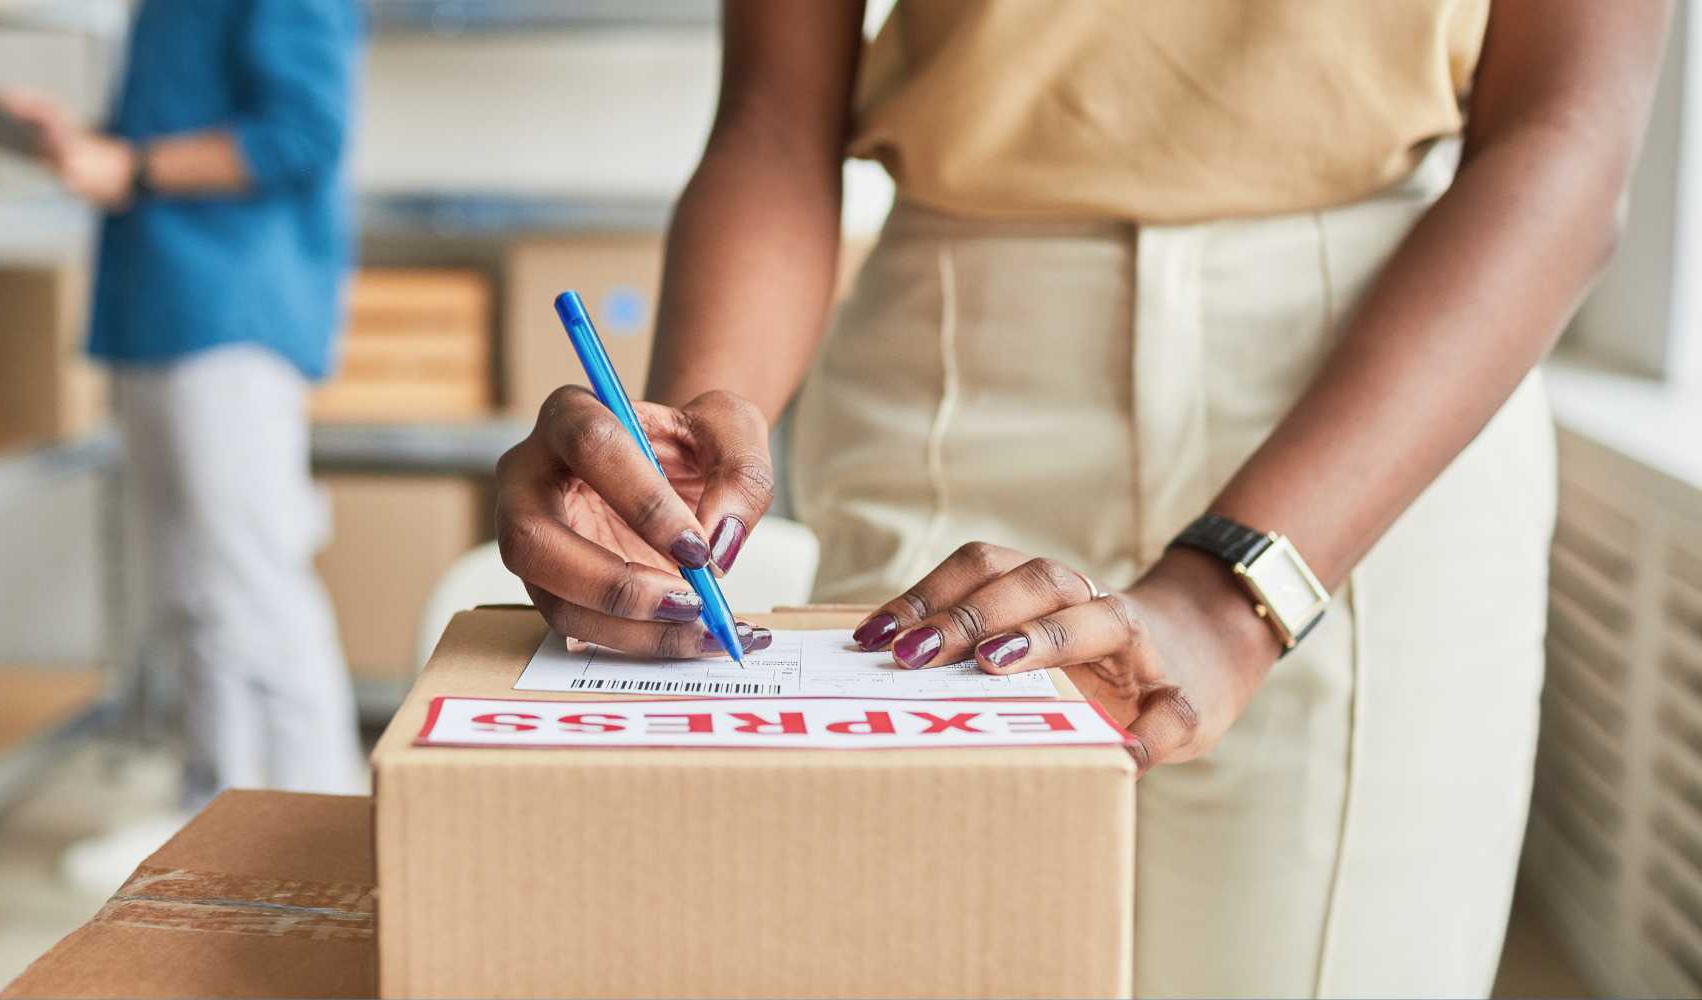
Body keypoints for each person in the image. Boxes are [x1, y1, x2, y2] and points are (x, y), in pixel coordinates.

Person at [492, 1, 1669, 994]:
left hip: (1375, 412)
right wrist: (686, 449)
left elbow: (1565, 130)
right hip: (948, 363)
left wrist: (1229, 595)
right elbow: (772, 119)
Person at [2, 0, 365, 880]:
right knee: (188, 585)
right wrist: (91, 145)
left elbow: (302, 133)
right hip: (160, 304)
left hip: (230, 309)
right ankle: (208, 816)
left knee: (250, 579)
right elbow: (166, 139)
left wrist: (131, 164)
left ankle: (328, 831)